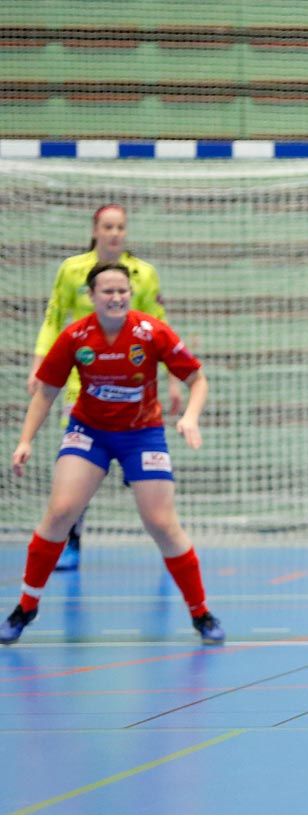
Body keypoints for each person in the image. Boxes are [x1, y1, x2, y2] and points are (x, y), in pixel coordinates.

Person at [3, 261, 223, 646]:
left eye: (122, 290)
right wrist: (25, 441)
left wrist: (190, 417)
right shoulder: (75, 336)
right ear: (91, 297)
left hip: (143, 435)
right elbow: (47, 391)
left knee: (162, 523)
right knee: (59, 513)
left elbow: (197, 378)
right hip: (89, 432)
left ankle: (200, 612)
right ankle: (25, 607)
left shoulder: (150, 331)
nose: (117, 297)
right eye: (108, 291)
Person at [29, 204, 183, 572]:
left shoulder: (143, 275)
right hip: (81, 385)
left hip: (131, 389)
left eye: (121, 227)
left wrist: (174, 381)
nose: (115, 233)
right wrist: (39, 365)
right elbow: (54, 318)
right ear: (95, 229)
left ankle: (165, 539)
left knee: (143, 479)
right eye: (108, 226)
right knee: (77, 474)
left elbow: (161, 331)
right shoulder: (72, 270)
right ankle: (73, 542)